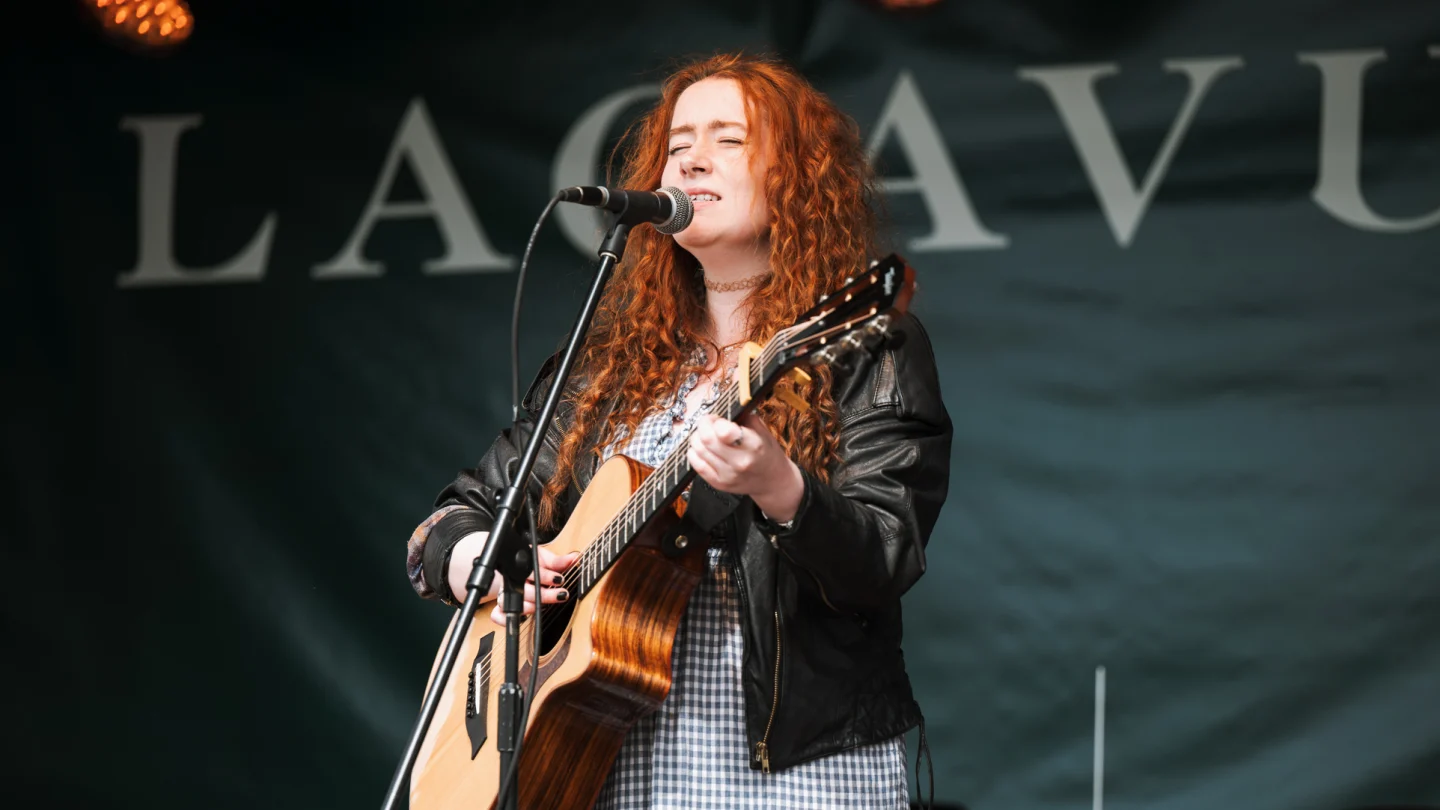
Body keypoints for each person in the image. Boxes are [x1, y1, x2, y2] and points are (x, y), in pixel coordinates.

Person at [405, 51, 952, 808]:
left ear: (794, 174)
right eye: (679, 142)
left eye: (730, 139)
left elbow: (885, 555)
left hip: (788, 769)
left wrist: (779, 487)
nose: (693, 156)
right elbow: (457, 517)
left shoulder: (865, 344)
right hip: (599, 759)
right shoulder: (606, 365)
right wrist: (479, 559)